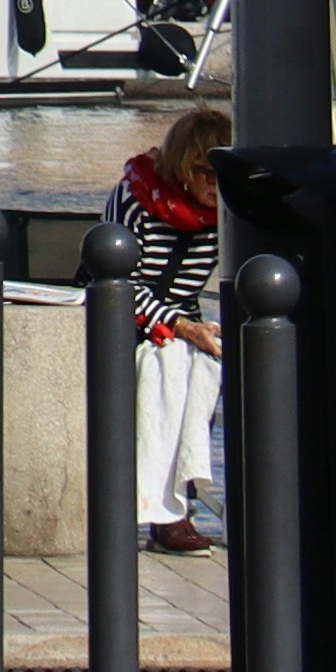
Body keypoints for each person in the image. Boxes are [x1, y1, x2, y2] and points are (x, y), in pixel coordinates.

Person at [107, 102, 233, 552]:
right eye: (205, 172)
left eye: (222, 173)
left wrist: (192, 329)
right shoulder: (136, 196)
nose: (215, 185)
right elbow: (118, 283)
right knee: (170, 361)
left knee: (205, 362)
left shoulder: (225, 212)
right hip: (118, 316)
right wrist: (179, 326)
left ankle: (180, 502)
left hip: (183, 318)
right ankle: (166, 514)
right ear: (183, 165)